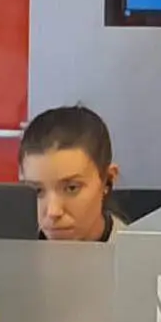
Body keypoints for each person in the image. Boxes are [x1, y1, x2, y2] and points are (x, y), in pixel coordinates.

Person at [19, 104, 136, 242]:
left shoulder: (141, 253)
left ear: (108, 180)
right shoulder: (10, 248)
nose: (53, 212)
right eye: (37, 191)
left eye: (71, 188)